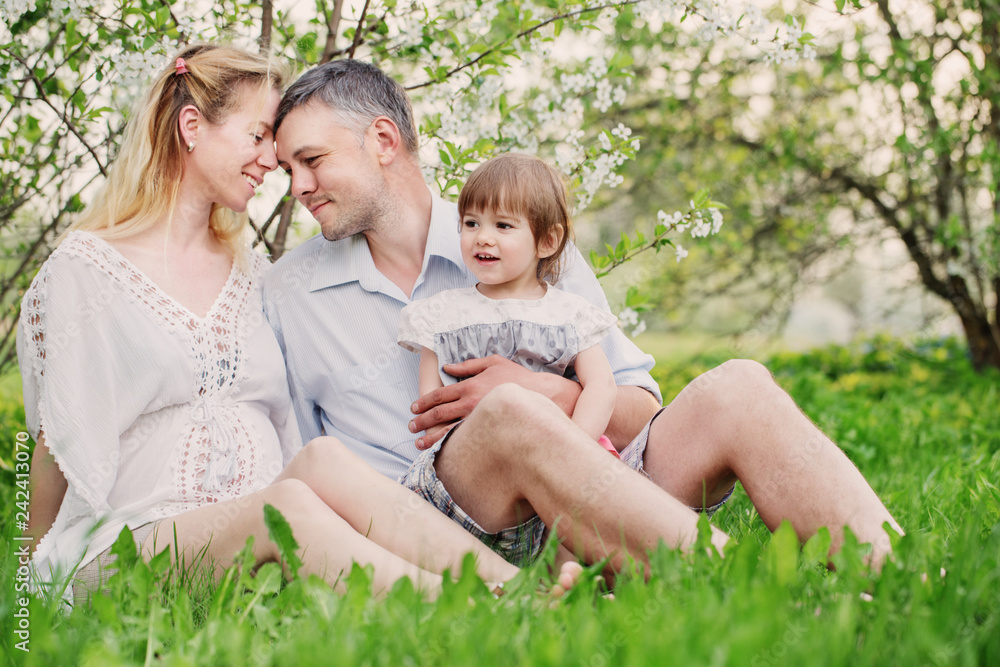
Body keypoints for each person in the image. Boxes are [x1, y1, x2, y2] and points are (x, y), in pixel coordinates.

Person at [266, 59, 903, 573]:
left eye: (312, 161)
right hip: (447, 525)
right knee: (507, 415)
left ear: (383, 140)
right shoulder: (288, 294)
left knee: (739, 387)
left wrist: (551, 392)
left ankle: (902, 578)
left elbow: (640, 413)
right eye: (288, 168)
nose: (297, 186)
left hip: (594, 483)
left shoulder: (519, 236)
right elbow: (302, 475)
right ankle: (740, 585)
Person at [18, 44, 542, 606]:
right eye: (258, 135)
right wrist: (24, 588)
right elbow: (56, 443)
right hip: (134, 545)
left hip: (255, 531)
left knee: (322, 461)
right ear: (192, 127)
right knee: (284, 507)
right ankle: (486, 609)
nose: (272, 161)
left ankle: (523, 590)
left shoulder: (253, 276)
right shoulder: (87, 269)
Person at [397, 153, 620, 458]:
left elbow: (602, 386)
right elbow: (433, 406)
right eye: (471, 223)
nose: (483, 237)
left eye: (503, 225)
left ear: (547, 241)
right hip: (477, 459)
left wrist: (574, 449)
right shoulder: (441, 315)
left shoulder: (570, 314)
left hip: (556, 450)